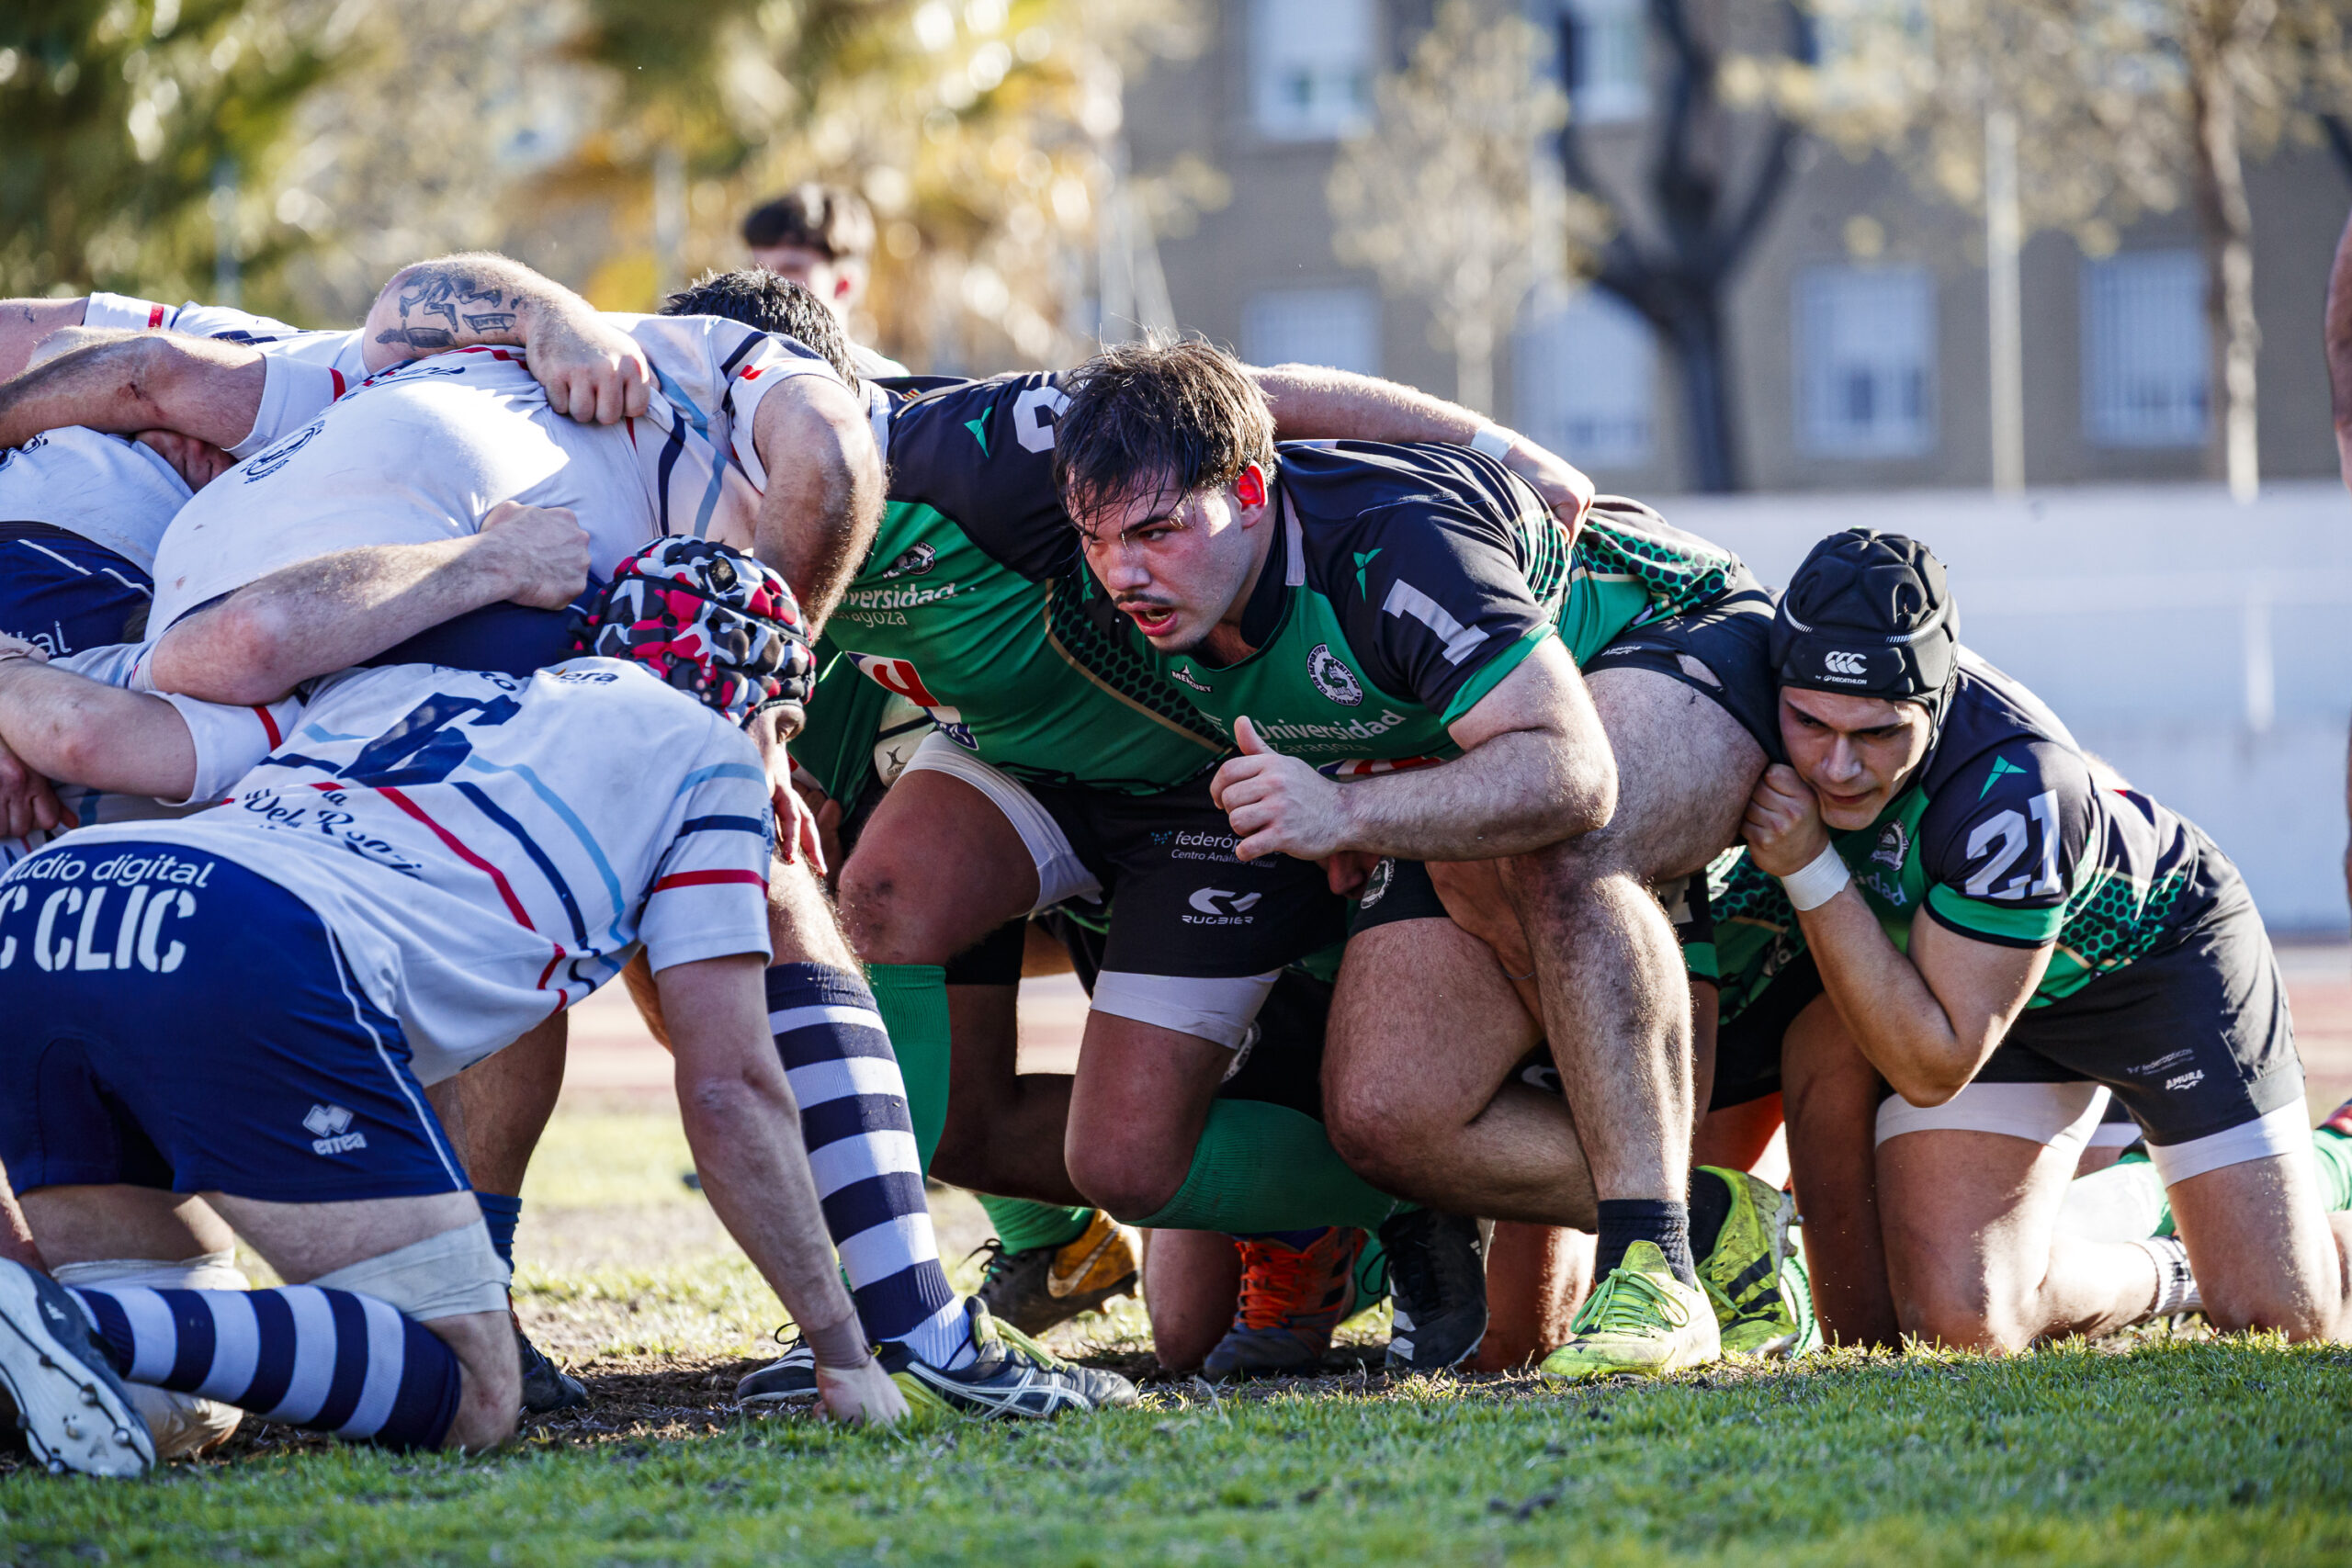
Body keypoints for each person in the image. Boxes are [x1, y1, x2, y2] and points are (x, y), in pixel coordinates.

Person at [0, 543, 935, 1475]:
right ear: (767, 710)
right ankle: (64, 1311)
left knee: (167, 1407)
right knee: (474, 1387)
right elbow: (731, 1085)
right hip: (248, 938)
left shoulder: (389, 687)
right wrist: (843, 1351)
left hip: (51, 906)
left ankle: (57, 1318)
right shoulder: (712, 754)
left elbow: (133, 743)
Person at [1048, 337, 1788, 1379]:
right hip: (1462, 732)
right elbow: (1226, 385)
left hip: (1665, 639)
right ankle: (1722, 1215)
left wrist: (1347, 812)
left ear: (1251, 490)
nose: (1125, 570)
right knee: (1386, 1120)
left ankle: (1655, 1267)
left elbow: (1572, 773)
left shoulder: (1392, 545)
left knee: (1564, 842)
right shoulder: (1112, 528)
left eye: (1160, 532)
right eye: (1099, 537)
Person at [1740, 529, 2352, 1351]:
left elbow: (1932, 1064)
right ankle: (2172, 1247)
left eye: (1879, 734)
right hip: (1986, 992)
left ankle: (2328, 1161)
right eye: (1811, 724)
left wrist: (1812, 866)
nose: (1839, 767)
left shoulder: (2015, 784)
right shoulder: (1755, 701)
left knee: (2285, 1319)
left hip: (2156, 970)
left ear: (1936, 699)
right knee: (1964, 1320)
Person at [741, 184, 907, 378]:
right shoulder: (735, 377)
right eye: (756, 270)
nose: (764, 284)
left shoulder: (887, 388)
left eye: (789, 270)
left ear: (844, 283)